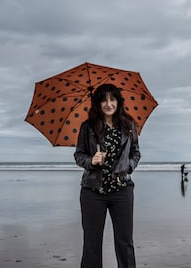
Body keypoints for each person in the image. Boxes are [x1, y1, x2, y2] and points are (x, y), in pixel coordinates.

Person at [74, 84, 141, 268]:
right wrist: (91, 161)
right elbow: (78, 155)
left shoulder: (129, 126)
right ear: (98, 103)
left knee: (125, 243)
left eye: (113, 99)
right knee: (91, 244)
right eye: (104, 99)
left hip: (122, 190)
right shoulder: (88, 127)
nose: (109, 104)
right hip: (93, 192)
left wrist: (128, 166)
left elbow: (136, 153)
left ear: (118, 101)